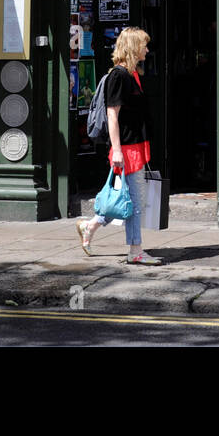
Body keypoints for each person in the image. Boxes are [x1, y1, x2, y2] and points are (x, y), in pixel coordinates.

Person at [76, 27, 161, 265]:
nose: (147, 49)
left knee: (126, 198)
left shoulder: (133, 74)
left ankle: (88, 226)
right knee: (134, 202)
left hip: (137, 146)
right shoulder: (119, 76)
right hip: (126, 149)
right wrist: (118, 152)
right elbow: (112, 116)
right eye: (144, 45)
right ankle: (135, 251)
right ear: (134, 47)